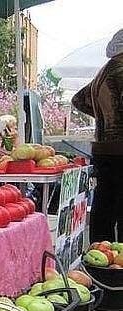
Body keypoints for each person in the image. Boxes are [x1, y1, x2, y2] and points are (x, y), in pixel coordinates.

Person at [72, 29, 123, 242]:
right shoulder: (121, 71)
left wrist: (105, 116)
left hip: (102, 149)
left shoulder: (103, 72)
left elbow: (78, 100)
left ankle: (100, 259)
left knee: (104, 206)